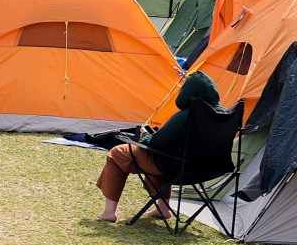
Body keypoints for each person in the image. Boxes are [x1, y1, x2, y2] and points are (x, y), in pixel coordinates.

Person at [96, 70, 233, 223]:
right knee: (164, 155)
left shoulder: (188, 115)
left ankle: (109, 212)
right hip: (209, 170)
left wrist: (145, 136)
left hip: (177, 168)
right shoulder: (225, 115)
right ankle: (163, 208)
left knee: (118, 153)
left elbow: (156, 143)